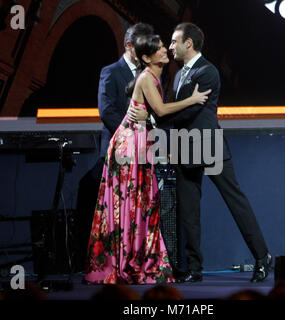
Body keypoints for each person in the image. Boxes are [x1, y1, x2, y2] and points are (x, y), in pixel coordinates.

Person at [84, 34, 211, 284]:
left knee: (141, 203)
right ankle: (124, 263)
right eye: (160, 49)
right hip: (128, 147)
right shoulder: (146, 78)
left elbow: (154, 114)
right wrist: (193, 100)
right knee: (130, 205)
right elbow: (162, 111)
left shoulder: (153, 77)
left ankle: (136, 260)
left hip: (139, 143)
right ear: (146, 57)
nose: (166, 51)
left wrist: (148, 119)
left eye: (165, 47)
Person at [165, 22, 272, 283]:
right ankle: (194, 268)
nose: (170, 47)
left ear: (188, 43)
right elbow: (178, 108)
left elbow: (188, 111)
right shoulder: (178, 75)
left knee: (235, 202)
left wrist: (161, 112)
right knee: (188, 212)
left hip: (208, 145)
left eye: (173, 41)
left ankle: (262, 257)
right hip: (182, 145)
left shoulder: (208, 71)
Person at [76, 23, 153, 271]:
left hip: (143, 153)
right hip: (117, 151)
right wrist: (129, 135)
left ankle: (134, 261)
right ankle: (99, 263)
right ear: (128, 45)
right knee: (109, 208)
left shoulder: (149, 74)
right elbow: (106, 110)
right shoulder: (111, 72)